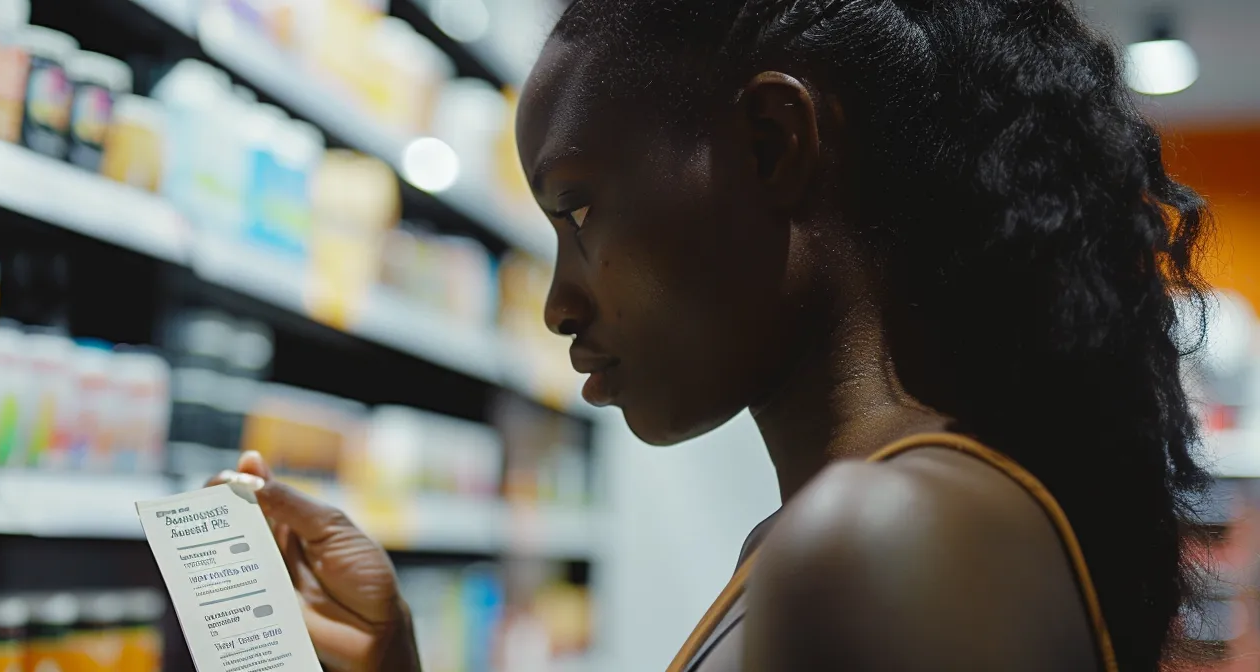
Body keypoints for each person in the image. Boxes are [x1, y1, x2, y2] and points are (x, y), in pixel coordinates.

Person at [215, 0, 1215, 668]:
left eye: (578, 214)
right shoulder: (867, 521)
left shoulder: (874, 540)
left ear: (774, 145)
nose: (560, 303)